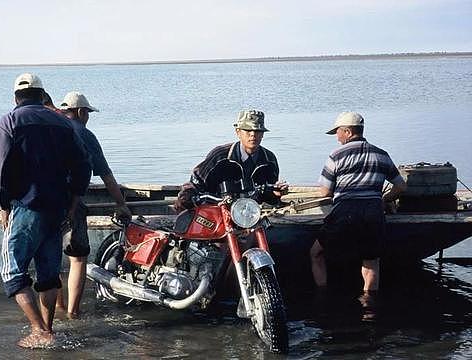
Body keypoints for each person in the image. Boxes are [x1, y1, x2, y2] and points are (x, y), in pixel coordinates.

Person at [0, 74, 91, 348]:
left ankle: (39, 330)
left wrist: (1, 206)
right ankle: (48, 329)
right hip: (56, 208)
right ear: (42, 95)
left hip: (25, 205)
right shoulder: (62, 123)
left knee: (11, 271)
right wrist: (73, 201)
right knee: (48, 272)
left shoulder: (8, 122)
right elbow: (83, 165)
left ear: (15, 99)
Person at [309, 111, 407, 293]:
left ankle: (322, 296)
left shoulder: (336, 156)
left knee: (316, 253)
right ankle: (369, 306)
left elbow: (325, 192)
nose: (337, 138)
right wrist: (384, 199)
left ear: (347, 131)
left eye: (337, 132)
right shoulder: (381, 154)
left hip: (344, 213)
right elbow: (401, 186)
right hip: (372, 214)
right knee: (371, 262)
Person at [55, 91, 132, 317]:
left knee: (49, 258)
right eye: (87, 113)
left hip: (46, 200)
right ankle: (72, 312)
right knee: (78, 258)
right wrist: (121, 204)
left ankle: (56, 307)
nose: (87, 117)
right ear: (80, 112)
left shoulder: (52, 128)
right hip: (72, 201)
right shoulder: (84, 134)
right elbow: (106, 175)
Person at [174, 109, 289, 212]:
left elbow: (269, 196)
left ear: (263, 134)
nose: (253, 135)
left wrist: (276, 194)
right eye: (247, 130)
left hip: (250, 214)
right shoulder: (220, 156)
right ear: (238, 132)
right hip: (217, 212)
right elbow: (195, 184)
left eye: (258, 131)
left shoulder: (269, 160)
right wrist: (186, 202)